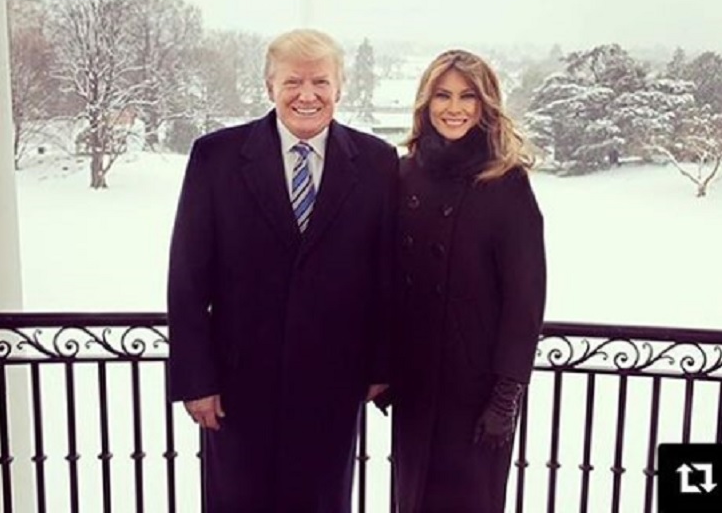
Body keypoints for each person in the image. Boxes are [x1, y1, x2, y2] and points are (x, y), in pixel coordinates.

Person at [166, 28, 398, 512]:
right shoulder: (216, 157)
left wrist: (380, 367)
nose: (307, 95)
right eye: (293, 82)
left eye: (320, 82)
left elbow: (385, 275)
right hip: (235, 391)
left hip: (332, 390)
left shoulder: (377, 162)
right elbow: (188, 277)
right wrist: (196, 380)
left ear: (341, 87)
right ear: (269, 86)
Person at [387, 49, 547, 513]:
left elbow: (525, 299)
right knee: (411, 501)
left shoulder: (506, 182)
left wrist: (505, 397)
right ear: (425, 101)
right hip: (416, 384)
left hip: (476, 390)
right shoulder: (403, 174)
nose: (453, 108)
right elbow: (387, 279)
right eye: (442, 95)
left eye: (467, 97)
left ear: (485, 106)